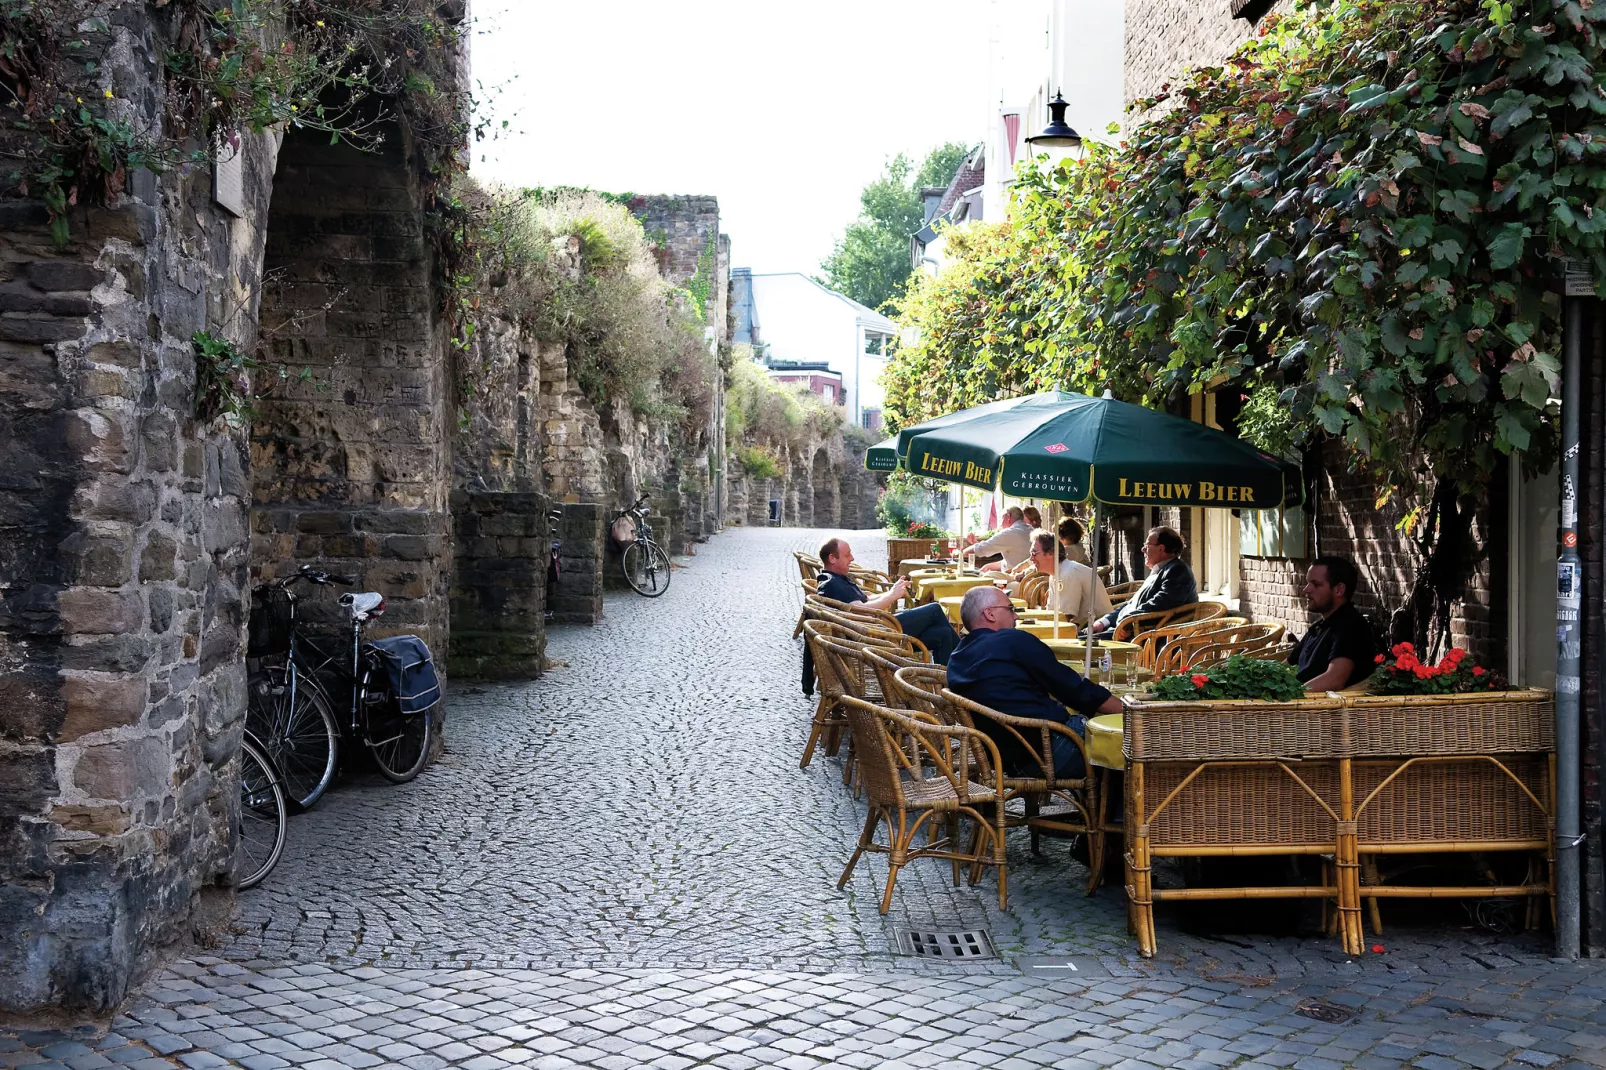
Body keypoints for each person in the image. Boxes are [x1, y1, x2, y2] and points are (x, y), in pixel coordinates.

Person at [946, 585, 1124, 778]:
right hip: (1048, 753)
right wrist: (1126, 708)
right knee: (1127, 745)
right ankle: (1125, 807)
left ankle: (1097, 803)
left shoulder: (957, 657)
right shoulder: (1012, 641)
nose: (1016, 617)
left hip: (1003, 759)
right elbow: (1074, 690)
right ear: (989, 614)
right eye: (1010, 609)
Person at [815, 537, 958, 664]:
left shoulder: (834, 579)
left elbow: (864, 601)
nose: (852, 558)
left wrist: (891, 592)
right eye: (847, 555)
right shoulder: (833, 584)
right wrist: (892, 596)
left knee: (943, 633)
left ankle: (949, 684)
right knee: (934, 609)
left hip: (876, 629)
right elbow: (862, 612)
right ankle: (969, 660)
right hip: (874, 636)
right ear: (832, 558)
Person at [1288, 555, 1379, 691]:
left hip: (1315, 708)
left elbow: (1334, 680)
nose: (1306, 589)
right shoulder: (1321, 625)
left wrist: (1289, 696)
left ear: (1339, 590)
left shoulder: (1351, 628)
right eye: (1308, 583)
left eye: (1316, 584)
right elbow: (1287, 665)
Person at [1090, 525, 1197, 635]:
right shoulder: (1160, 570)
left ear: (1161, 549)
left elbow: (1160, 605)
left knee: (1080, 642)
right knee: (1078, 636)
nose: (1143, 549)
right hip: (1125, 628)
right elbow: (1131, 603)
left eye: (1147, 545)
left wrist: (1128, 623)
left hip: (1146, 638)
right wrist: (1103, 622)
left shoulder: (1177, 571)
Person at [1027, 532, 1112, 623]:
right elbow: (1051, 612)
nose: (1031, 559)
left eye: (1034, 553)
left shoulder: (1067, 574)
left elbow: (1064, 618)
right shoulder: (1056, 573)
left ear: (1051, 553)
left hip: (1094, 631)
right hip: (1083, 627)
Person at [963, 506, 1032, 573]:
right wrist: (988, 566)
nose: (1000, 523)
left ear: (1008, 517)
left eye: (1002, 518)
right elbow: (1015, 561)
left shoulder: (1009, 533)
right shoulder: (1030, 530)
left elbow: (983, 548)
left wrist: (962, 553)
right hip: (1030, 578)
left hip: (1015, 579)